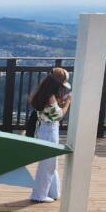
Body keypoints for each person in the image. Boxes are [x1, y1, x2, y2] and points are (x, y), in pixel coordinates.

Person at [27, 67, 72, 203]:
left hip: (44, 129)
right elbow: (58, 115)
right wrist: (68, 102)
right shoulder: (50, 97)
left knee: (51, 163)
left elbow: (50, 111)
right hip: (49, 131)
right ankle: (39, 195)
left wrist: (60, 103)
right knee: (47, 165)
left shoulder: (43, 93)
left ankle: (53, 192)